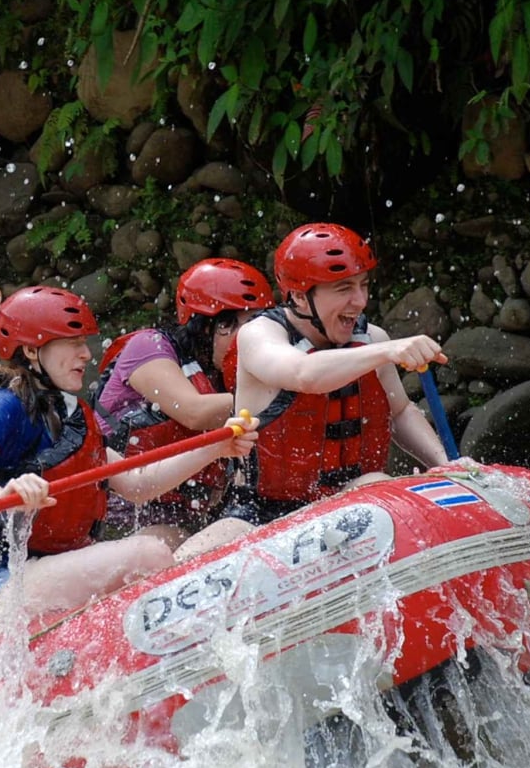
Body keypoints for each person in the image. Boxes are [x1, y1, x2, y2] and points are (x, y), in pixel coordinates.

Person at [0, 286, 258, 623]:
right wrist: (2, 495)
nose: (86, 355)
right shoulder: (5, 403)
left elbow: (137, 483)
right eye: (73, 344)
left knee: (153, 552)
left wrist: (214, 447)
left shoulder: (71, 414)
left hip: (37, 574)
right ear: (31, 350)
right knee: (147, 554)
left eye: (85, 343)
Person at [176, 224, 452, 558]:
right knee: (186, 558)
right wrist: (388, 351)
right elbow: (303, 374)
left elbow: (401, 412)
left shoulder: (372, 339)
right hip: (259, 512)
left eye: (363, 285)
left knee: (376, 483)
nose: (360, 301)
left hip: (348, 497)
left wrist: (443, 464)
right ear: (299, 296)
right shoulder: (259, 335)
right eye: (343, 288)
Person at [92, 257, 273, 544]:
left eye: (257, 323)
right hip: (121, 517)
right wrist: (279, 392)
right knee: (169, 540)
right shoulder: (148, 347)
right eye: (236, 324)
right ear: (204, 327)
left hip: (191, 515)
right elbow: (193, 412)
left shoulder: (231, 374)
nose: (251, 337)